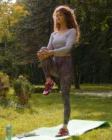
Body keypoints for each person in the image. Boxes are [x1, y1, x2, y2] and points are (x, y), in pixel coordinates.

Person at [36, 5, 80, 137]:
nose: (57, 17)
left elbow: (67, 49)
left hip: (65, 65)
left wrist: (51, 52)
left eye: (60, 14)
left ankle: (65, 127)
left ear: (66, 16)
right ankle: (49, 80)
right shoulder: (53, 34)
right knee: (43, 49)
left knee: (65, 96)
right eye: (56, 15)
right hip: (54, 64)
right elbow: (48, 51)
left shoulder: (71, 31)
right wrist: (42, 54)